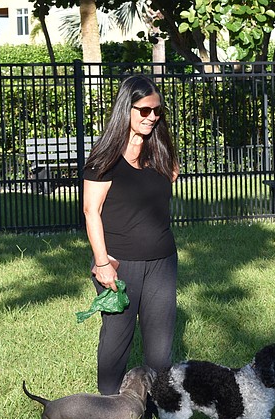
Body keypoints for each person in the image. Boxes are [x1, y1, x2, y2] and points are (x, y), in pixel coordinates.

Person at [82, 75, 179, 396]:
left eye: (158, 112)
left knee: (160, 346)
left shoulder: (161, 151)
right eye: (144, 111)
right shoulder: (105, 157)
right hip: (119, 264)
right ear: (127, 109)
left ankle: (158, 407)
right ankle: (108, 404)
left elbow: (171, 179)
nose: (152, 117)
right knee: (116, 338)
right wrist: (102, 262)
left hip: (162, 262)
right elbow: (90, 211)